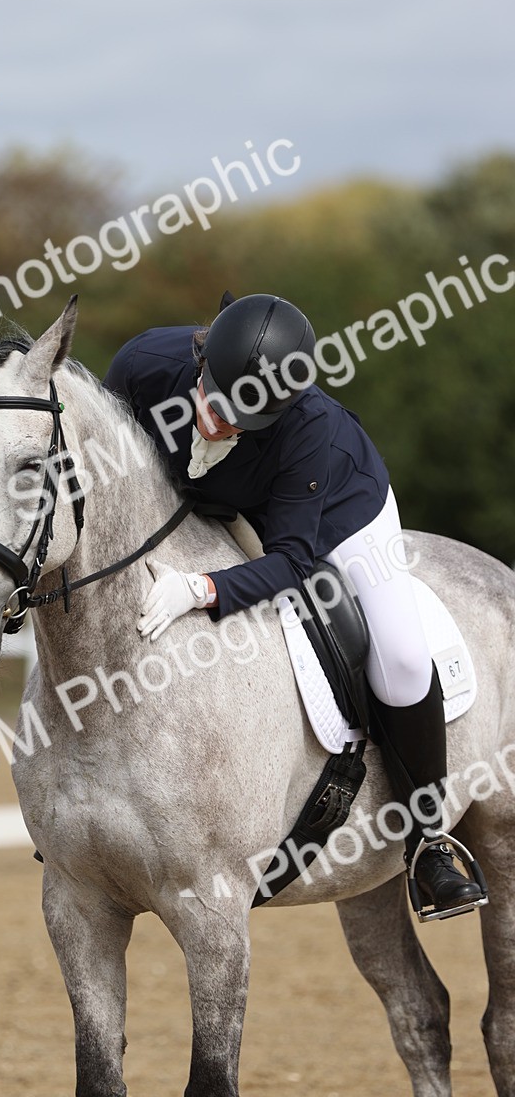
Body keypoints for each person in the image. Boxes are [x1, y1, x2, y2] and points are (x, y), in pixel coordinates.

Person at [103, 291, 484, 916]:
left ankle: (430, 843)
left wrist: (202, 589)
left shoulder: (308, 427)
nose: (220, 425)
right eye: (217, 406)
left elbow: (291, 560)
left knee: (405, 656)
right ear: (201, 365)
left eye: (241, 419)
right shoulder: (142, 365)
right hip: (216, 502)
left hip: (335, 517)